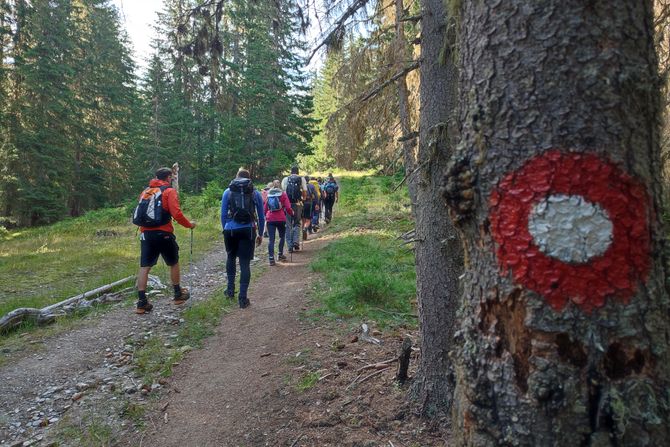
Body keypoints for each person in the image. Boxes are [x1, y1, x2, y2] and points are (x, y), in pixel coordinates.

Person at [135, 167, 196, 314]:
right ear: (168, 178)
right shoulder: (169, 191)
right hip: (164, 233)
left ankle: (142, 302)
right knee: (173, 262)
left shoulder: (145, 192)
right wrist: (190, 225)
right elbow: (176, 213)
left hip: (146, 234)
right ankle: (177, 294)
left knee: (145, 267)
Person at [221, 168, 265, 308]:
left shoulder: (227, 192)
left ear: (236, 177)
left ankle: (230, 290)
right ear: (248, 179)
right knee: (245, 263)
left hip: (230, 229)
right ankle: (243, 298)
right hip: (248, 229)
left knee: (231, 258)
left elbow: (223, 215)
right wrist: (260, 233)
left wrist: (225, 228)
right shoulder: (254, 192)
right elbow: (261, 216)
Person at [264, 180, 293, 265]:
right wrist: (292, 213)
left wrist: (267, 215)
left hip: (270, 219)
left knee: (271, 239)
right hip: (281, 218)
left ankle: (271, 259)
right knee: (281, 236)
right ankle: (280, 254)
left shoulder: (269, 194)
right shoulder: (283, 194)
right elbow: (288, 208)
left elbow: (265, 208)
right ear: (280, 186)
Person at [281, 166, 307, 252]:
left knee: (288, 225)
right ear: (298, 172)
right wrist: (303, 199)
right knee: (297, 223)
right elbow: (304, 191)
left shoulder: (285, 179)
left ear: (290, 172)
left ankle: (289, 246)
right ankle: (296, 241)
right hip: (297, 204)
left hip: (287, 205)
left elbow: (283, 193)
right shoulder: (301, 179)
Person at [302, 175, 318, 240]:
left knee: (303, 219)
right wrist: (316, 203)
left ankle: (303, 231)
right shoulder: (311, 186)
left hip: (302, 204)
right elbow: (316, 195)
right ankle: (305, 228)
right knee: (308, 220)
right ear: (308, 180)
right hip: (309, 203)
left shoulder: (301, 186)